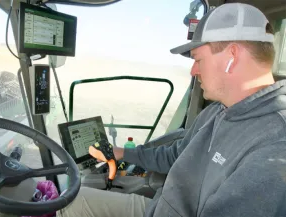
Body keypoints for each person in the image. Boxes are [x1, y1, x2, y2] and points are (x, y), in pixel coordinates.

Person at [57, 3, 286, 217]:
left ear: (231, 57)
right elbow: (177, 155)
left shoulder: (274, 147)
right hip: (159, 206)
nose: (193, 71)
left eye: (198, 59)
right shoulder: (217, 112)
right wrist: (122, 152)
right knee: (73, 200)